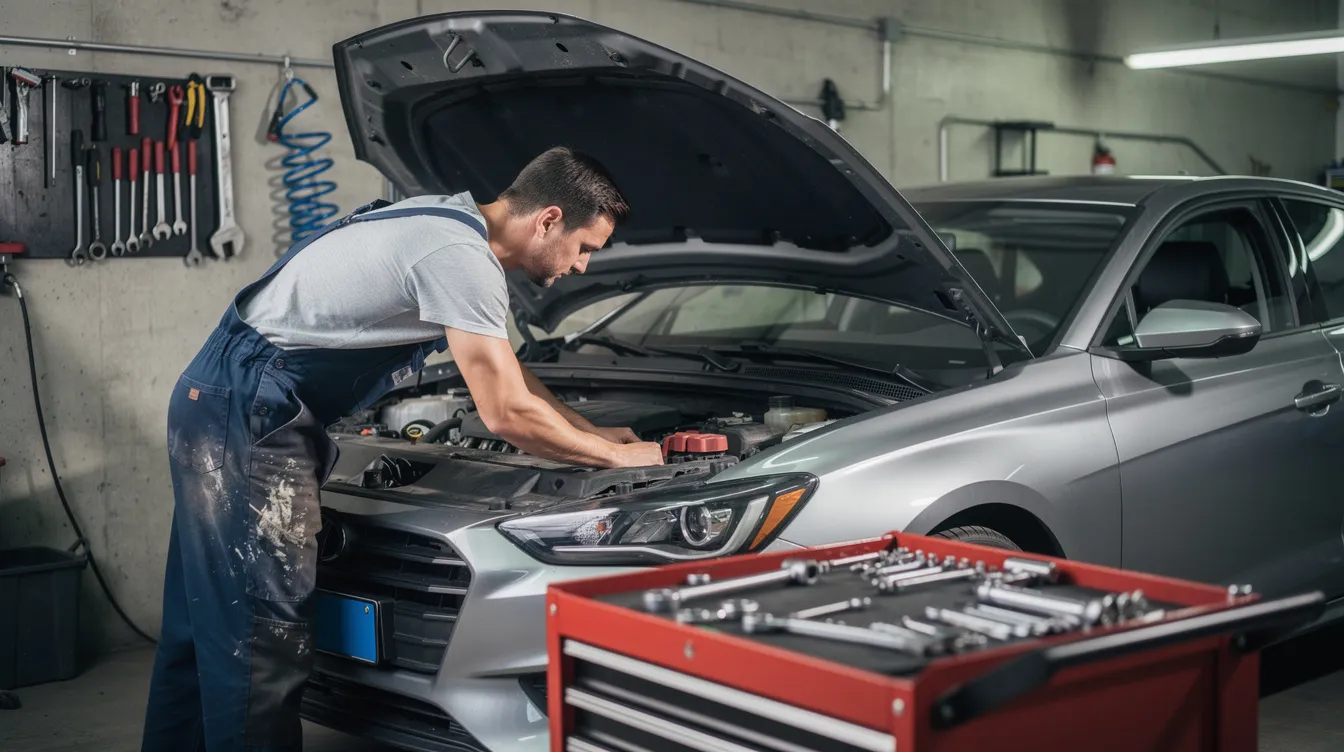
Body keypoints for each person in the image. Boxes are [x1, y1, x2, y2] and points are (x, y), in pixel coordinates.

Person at [140, 146, 664, 751]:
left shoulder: (442, 220)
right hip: (250, 411)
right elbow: (505, 413)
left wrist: (595, 433)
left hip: (216, 397)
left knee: (201, 622)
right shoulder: (459, 258)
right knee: (260, 641)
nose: (580, 268)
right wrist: (617, 460)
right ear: (549, 219)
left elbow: (510, 376)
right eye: (585, 248)